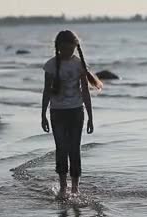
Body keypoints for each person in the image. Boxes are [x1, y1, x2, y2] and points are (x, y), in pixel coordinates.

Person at [41, 30, 103, 196]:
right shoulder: (51, 65)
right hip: (57, 113)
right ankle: (63, 187)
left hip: (76, 112)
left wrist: (90, 117)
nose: (68, 52)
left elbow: (85, 92)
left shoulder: (79, 65)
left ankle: (75, 188)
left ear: (76, 47)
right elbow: (46, 91)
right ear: (58, 47)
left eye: (71, 49)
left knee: (74, 149)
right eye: (65, 49)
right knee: (61, 149)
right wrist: (43, 116)